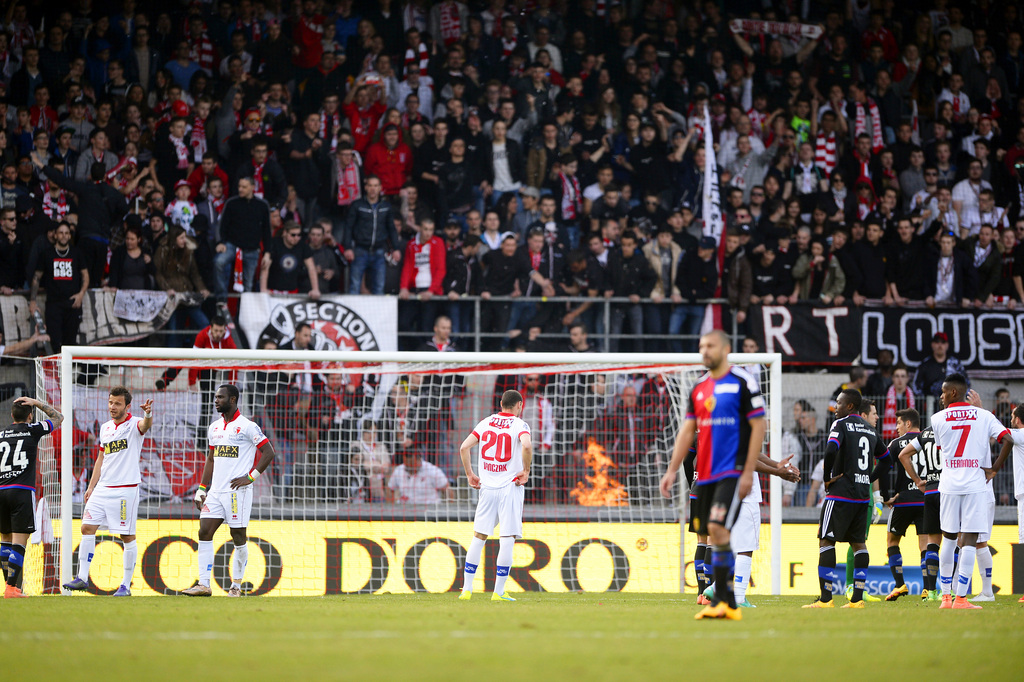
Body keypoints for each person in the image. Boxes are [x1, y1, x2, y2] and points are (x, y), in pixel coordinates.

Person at [659, 330, 766, 621]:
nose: (705, 350)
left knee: (718, 528)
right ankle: (724, 600)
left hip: (731, 472)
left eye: (710, 345)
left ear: (726, 349)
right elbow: (687, 430)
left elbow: (758, 425)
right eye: (701, 346)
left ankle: (725, 601)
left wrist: (747, 471)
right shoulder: (699, 387)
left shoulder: (743, 381)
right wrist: (672, 469)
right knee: (713, 535)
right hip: (704, 475)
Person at [923, 374, 1010, 609]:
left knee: (949, 539)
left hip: (949, 485)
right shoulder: (984, 415)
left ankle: (946, 598)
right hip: (975, 485)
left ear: (953, 392)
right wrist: (994, 469)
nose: (941, 397)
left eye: (943, 392)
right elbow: (1008, 439)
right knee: (970, 540)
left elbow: (942, 448)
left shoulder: (937, 418)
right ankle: (961, 598)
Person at [182, 384, 277, 597]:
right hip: (216, 492)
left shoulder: (248, 426)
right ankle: (203, 584)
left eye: (220, 397)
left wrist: (250, 477)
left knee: (238, 536)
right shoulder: (214, 427)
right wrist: (202, 488)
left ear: (232, 400)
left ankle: (236, 585)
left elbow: (269, 452)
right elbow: (210, 459)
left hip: (237, 492)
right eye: (216, 397)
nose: (216, 400)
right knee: (204, 532)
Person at [63, 387, 153, 597]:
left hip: (125, 489)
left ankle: (125, 585)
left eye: (117, 403)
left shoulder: (134, 424)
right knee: (87, 527)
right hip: (102, 488)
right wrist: (91, 486)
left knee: (127, 535)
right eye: (111, 402)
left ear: (127, 406)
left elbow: (145, 425)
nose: (112, 407)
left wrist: (148, 414)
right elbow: (101, 458)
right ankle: (82, 578)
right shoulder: (105, 428)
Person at [803, 389, 888, 608]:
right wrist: (869, 479)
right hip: (862, 498)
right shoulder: (870, 429)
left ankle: (826, 599)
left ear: (849, 406)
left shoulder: (840, 424)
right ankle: (857, 600)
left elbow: (831, 450)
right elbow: (887, 459)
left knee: (826, 541)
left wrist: (827, 478)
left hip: (840, 495)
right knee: (859, 545)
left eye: (839, 403)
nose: (835, 408)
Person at [458, 389, 533, 602]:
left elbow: (464, 447)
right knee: (507, 538)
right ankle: (498, 592)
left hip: (487, 488)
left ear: (501, 403)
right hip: (510, 487)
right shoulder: (520, 425)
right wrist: (526, 471)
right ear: (519, 405)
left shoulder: (486, 422)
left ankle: (466, 589)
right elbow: (526, 445)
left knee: (479, 537)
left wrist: (470, 474)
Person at [0, 396, 62, 598]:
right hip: (21, 491)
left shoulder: (1, 435)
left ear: (11, 415)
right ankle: (11, 588)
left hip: (1, 490)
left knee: (5, 539)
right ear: (30, 416)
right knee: (19, 541)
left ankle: (10, 586)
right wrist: (36, 403)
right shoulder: (32, 429)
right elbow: (58, 418)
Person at [878, 409, 931, 601]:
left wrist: (886, 496)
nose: (896, 427)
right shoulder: (929, 441)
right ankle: (928, 589)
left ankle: (899, 584)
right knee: (925, 545)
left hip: (903, 501)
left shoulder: (896, 444)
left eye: (899, 423)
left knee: (892, 541)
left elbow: (883, 467)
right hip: (926, 499)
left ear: (908, 424)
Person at [27, 221, 88, 352]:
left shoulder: (77, 253)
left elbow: (85, 275)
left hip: (72, 304)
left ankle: (68, 366)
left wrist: (81, 294)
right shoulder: (46, 254)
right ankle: (57, 366)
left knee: (70, 343)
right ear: (55, 235)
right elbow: (36, 277)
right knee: (55, 342)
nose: (64, 235)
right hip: (53, 305)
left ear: (70, 235)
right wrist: (32, 301)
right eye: (61, 232)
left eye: (67, 233)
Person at [898, 425, 942, 602]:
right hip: (948, 489)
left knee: (932, 542)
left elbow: (903, 455)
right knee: (954, 539)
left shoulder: (926, 433)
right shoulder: (951, 427)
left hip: (930, 491)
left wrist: (917, 481)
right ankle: (951, 590)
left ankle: (930, 592)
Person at [991, 404, 1024, 602]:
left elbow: (1001, 432)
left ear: (1017, 419)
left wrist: (981, 411)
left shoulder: (1020, 435)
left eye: (1012, 416)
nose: (1011, 419)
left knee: (1023, 539)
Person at [912, 332, 969, 398]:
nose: (940, 345)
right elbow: (916, 387)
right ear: (932, 345)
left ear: (947, 345)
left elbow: (966, 384)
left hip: (952, 402)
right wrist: (924, 401)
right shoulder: (925, 365)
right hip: (931, 402)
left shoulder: (955, 364)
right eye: (937, 342)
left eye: (943, 342)